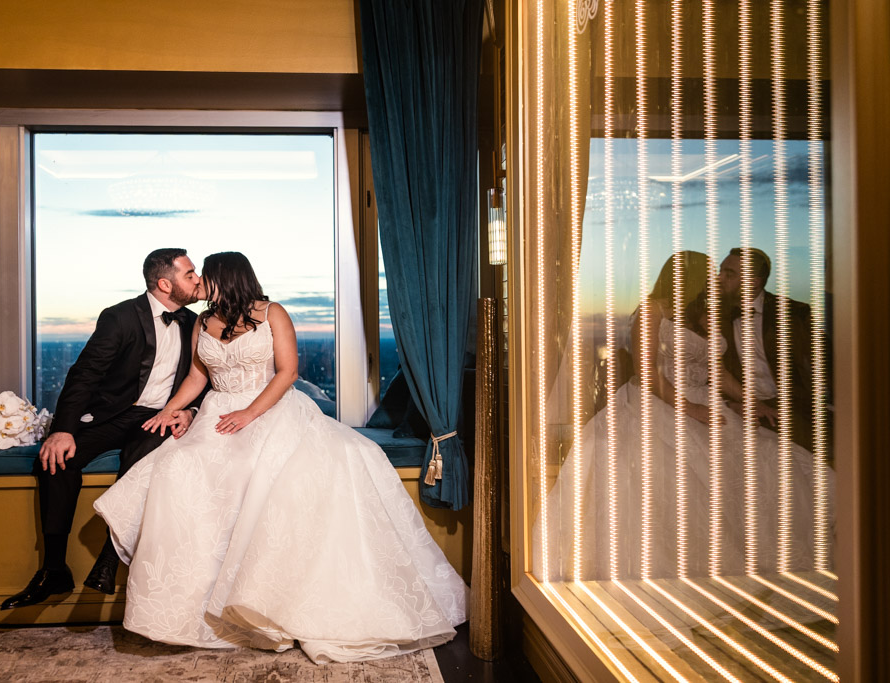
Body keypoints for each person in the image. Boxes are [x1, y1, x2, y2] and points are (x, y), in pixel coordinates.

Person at [93, 251, 467, 663]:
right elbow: (198, 376)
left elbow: (288, 372)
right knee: (176, 466)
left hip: (268, 407)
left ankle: (261, 597)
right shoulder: (203, 321)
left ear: (227, 278)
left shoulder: (273, 313)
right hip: (218, 411)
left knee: (265, 468)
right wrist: (170, 409)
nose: (198, 282)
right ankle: (188, 603)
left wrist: (250, 413)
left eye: (205, 276)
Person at [538, 252, 831, 582]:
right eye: (709, 274)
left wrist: (752, 402)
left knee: (769, 458)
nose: (715, 280)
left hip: (706, 403)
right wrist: (690, 408)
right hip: (661, 403)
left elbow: (717, 372)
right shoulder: (651, 311)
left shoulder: (699, 314)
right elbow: (647, 372)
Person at [1, 248, 207, 610]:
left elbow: (206, 379)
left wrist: (189, 411)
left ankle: (109, 559)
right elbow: (85, 374)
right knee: (56, 460)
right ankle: (53, 569)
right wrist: (62, 430)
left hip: (160, 417)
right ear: (164, 284)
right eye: (189, 274)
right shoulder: (120, 317)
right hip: (112, 415)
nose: (198, 279)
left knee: (141, 460)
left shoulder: (197, 323)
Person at [719, 247, 816, 450]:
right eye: (721, 271)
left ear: (753, 282)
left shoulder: (793, 313)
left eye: (729, 274)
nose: (719, 279)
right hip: (742, 410)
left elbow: (826, 365)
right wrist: (733, 404)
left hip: (795, 409)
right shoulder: (714, 315)